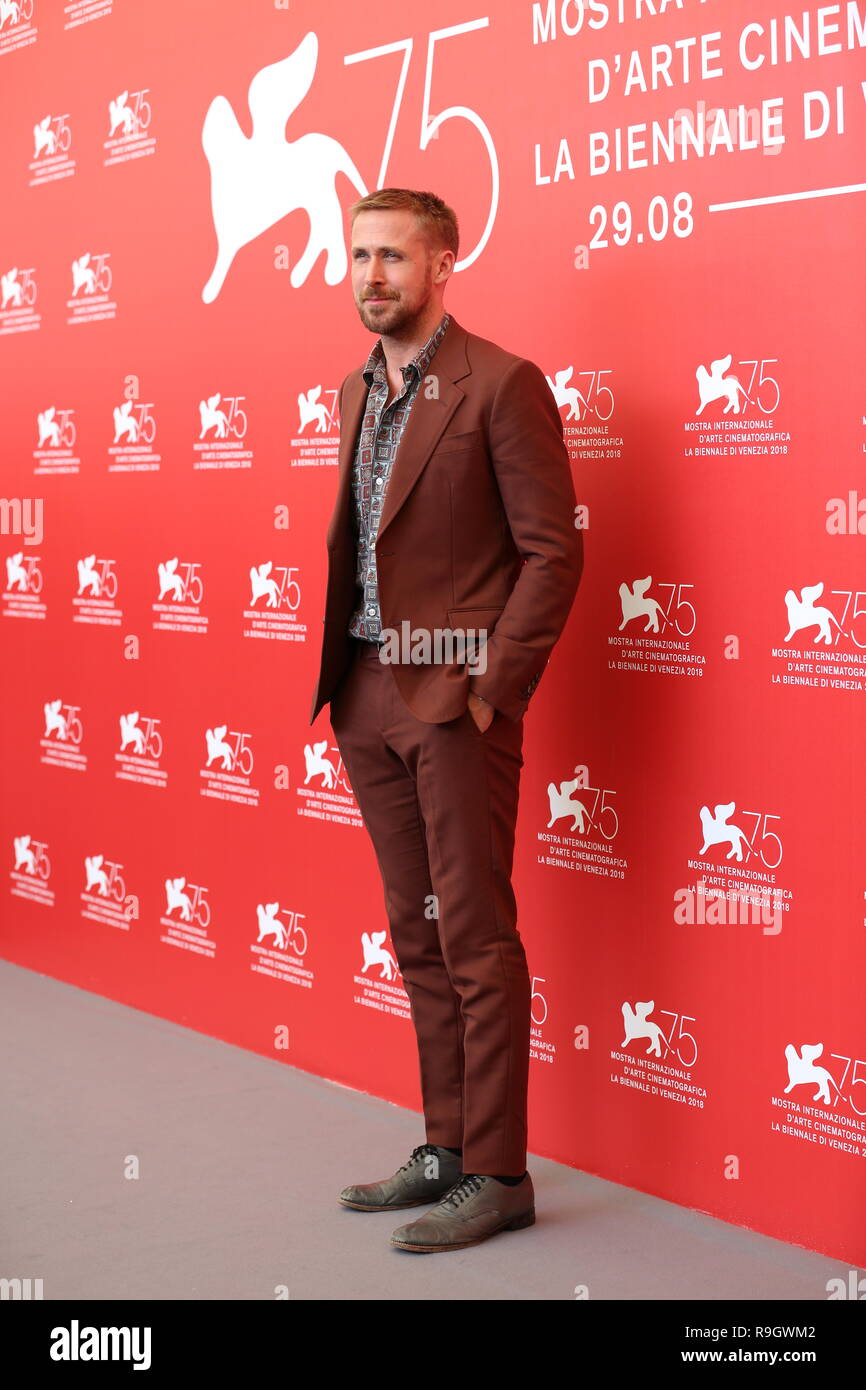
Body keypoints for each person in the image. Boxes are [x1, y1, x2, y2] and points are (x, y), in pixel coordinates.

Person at [309, 188, 583, 1252]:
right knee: (414, 931)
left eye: (391, 257)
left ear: (442, 263)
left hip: (452, 700)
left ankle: (501, 1171)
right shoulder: (354, 391)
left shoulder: (500, 385)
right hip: (365, 690)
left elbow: (552, 554)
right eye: (358, 257)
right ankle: (444, 1146)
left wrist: (487, 690)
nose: (370, 275)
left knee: (473, 934)